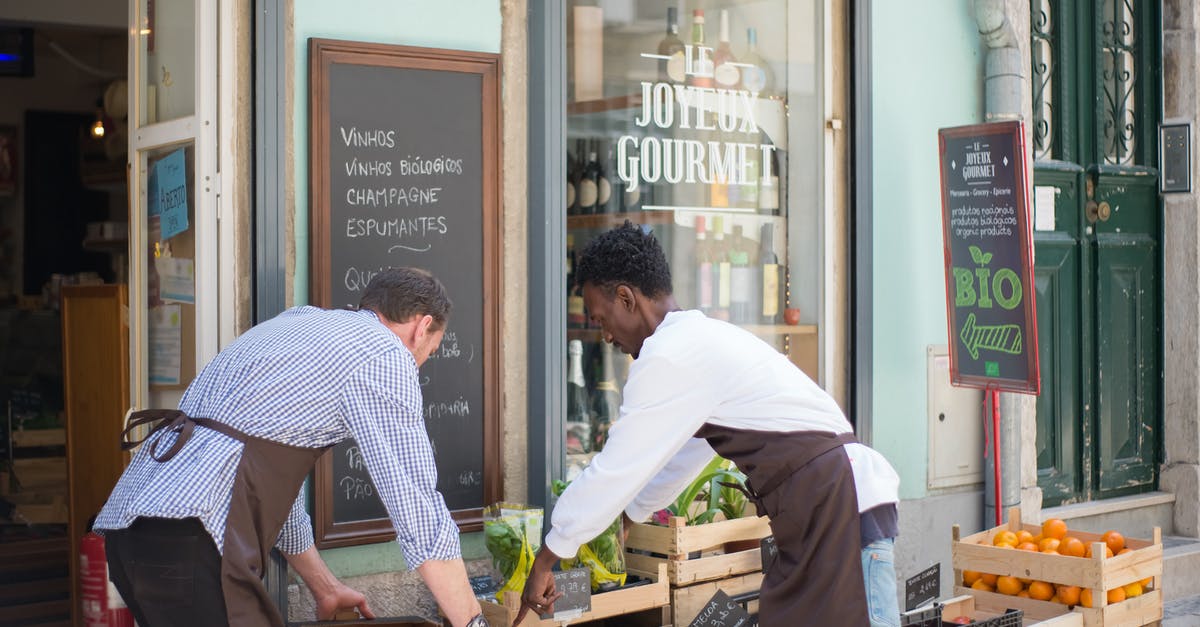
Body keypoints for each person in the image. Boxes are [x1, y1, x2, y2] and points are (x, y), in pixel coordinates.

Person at [518, 223, 901, 626]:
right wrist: (630, 516)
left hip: (836, 508)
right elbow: (683, 456)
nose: (606, 335)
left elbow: (614, 469)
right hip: (821, 510)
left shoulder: (669, 354)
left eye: (602, 318)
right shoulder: (694, 341)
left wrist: (547, 557)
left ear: (626, 299)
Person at [94, 267, 489, 627]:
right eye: (428, 354)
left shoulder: (299, 321)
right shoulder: (384, 354)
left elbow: (268, 489)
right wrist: (472, 622)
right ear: (421, 328)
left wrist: (323, 586)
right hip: (196, 534)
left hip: (132, 530)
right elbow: (417, 508)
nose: (418, 365)